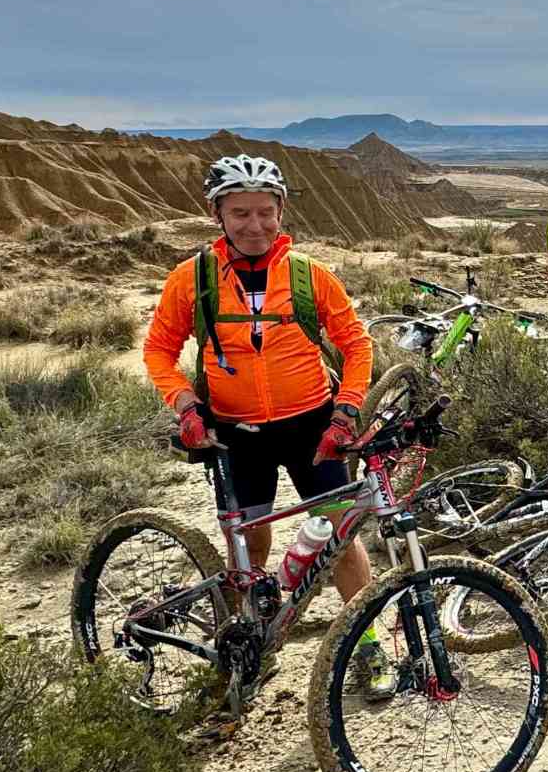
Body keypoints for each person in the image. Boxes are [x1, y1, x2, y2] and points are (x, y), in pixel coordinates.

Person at [142, 154, 392, 695]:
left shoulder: (309, 276)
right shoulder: (192, 280)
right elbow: (159, 350)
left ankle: (367, 643)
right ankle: (252, 639)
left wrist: (347, 410)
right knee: (248, 545)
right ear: (217, 216)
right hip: (236, 434)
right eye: (240, 214)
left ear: (281, 211)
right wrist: (185, 405)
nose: (255, 226)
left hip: (313, 429)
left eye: (265, 212)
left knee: (341, 537)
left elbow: (356, 344)